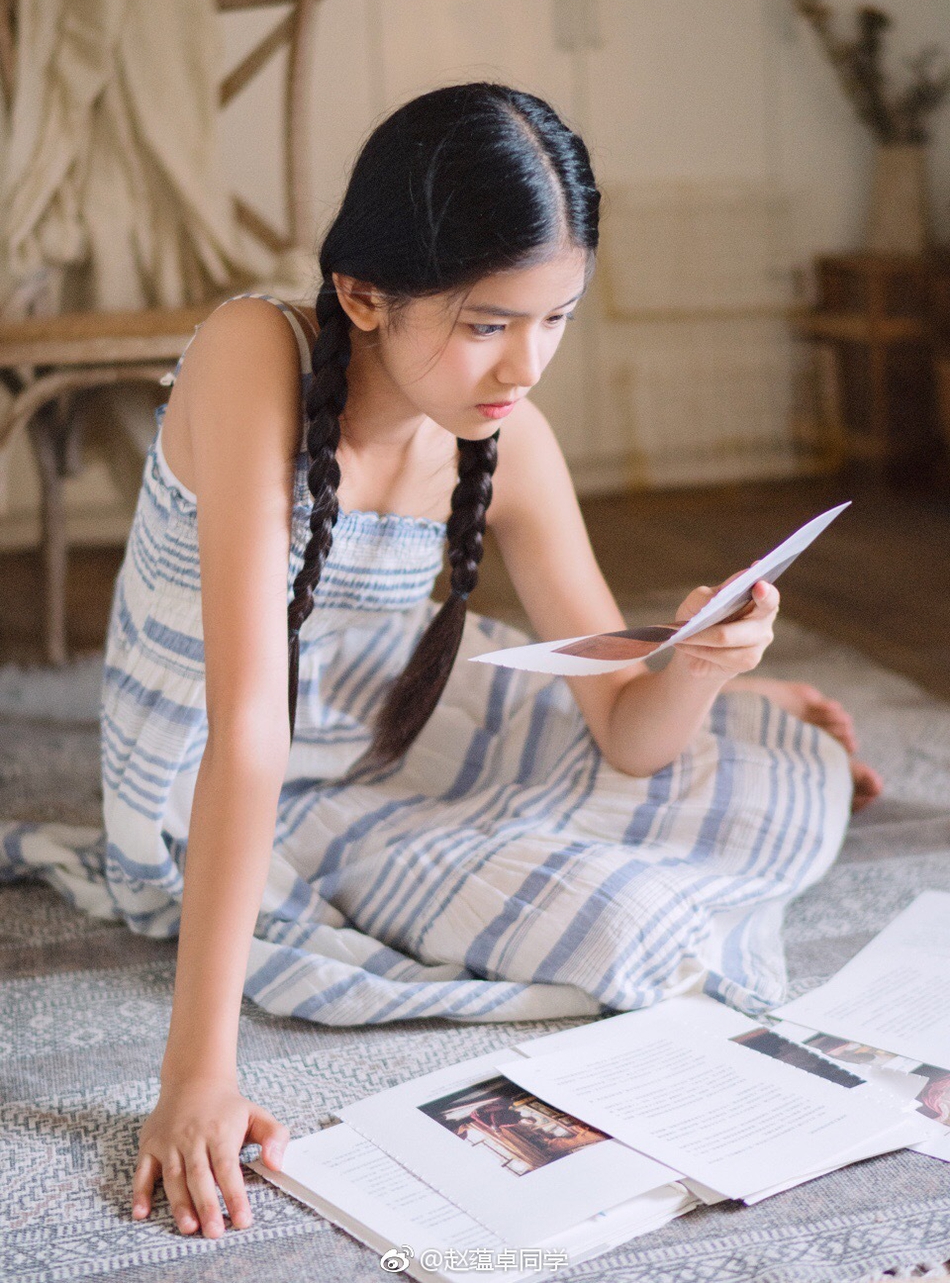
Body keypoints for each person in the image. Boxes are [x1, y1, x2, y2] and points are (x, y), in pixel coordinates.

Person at [0, 83, 880, 1242]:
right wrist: (196, 1073)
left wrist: (705, 666)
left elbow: (626, 731)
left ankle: (739, 687)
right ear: (363, 293)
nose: (525, 364)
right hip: (220, 750)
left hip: (378, 712)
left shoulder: (505, 436)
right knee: (621, 920)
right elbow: (248, 727)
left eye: (556, 317)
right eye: (485, 323)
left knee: (721, 749)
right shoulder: (248, 351)